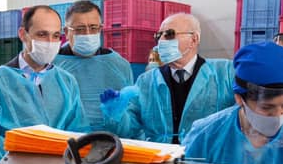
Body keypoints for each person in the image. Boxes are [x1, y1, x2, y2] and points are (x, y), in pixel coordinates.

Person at [0, 5, 89, 164]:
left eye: (56, 36)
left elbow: (79, 131)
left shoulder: (67, 82)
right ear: (23, 34)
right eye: (42, 34)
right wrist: (23, 153)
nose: (50, 42)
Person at [100, 12, 234, 144]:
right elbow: (128, 131)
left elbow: (239, 119)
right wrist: (116, 114)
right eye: (159, 36)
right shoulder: (146, 81)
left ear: (194, 39)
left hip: (207, 156)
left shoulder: (225, 73)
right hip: (160, 156)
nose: (161, 41)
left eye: (169, 34)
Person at [53, 0, 134, 130]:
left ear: (100, 29)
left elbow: (132, 115)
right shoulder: (52, 65)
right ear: (67, 32)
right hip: (63, 139)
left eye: (93, 27)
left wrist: (117, 116)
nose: (87, 34)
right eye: (80, 29)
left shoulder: (119, 65)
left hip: (110, 139)